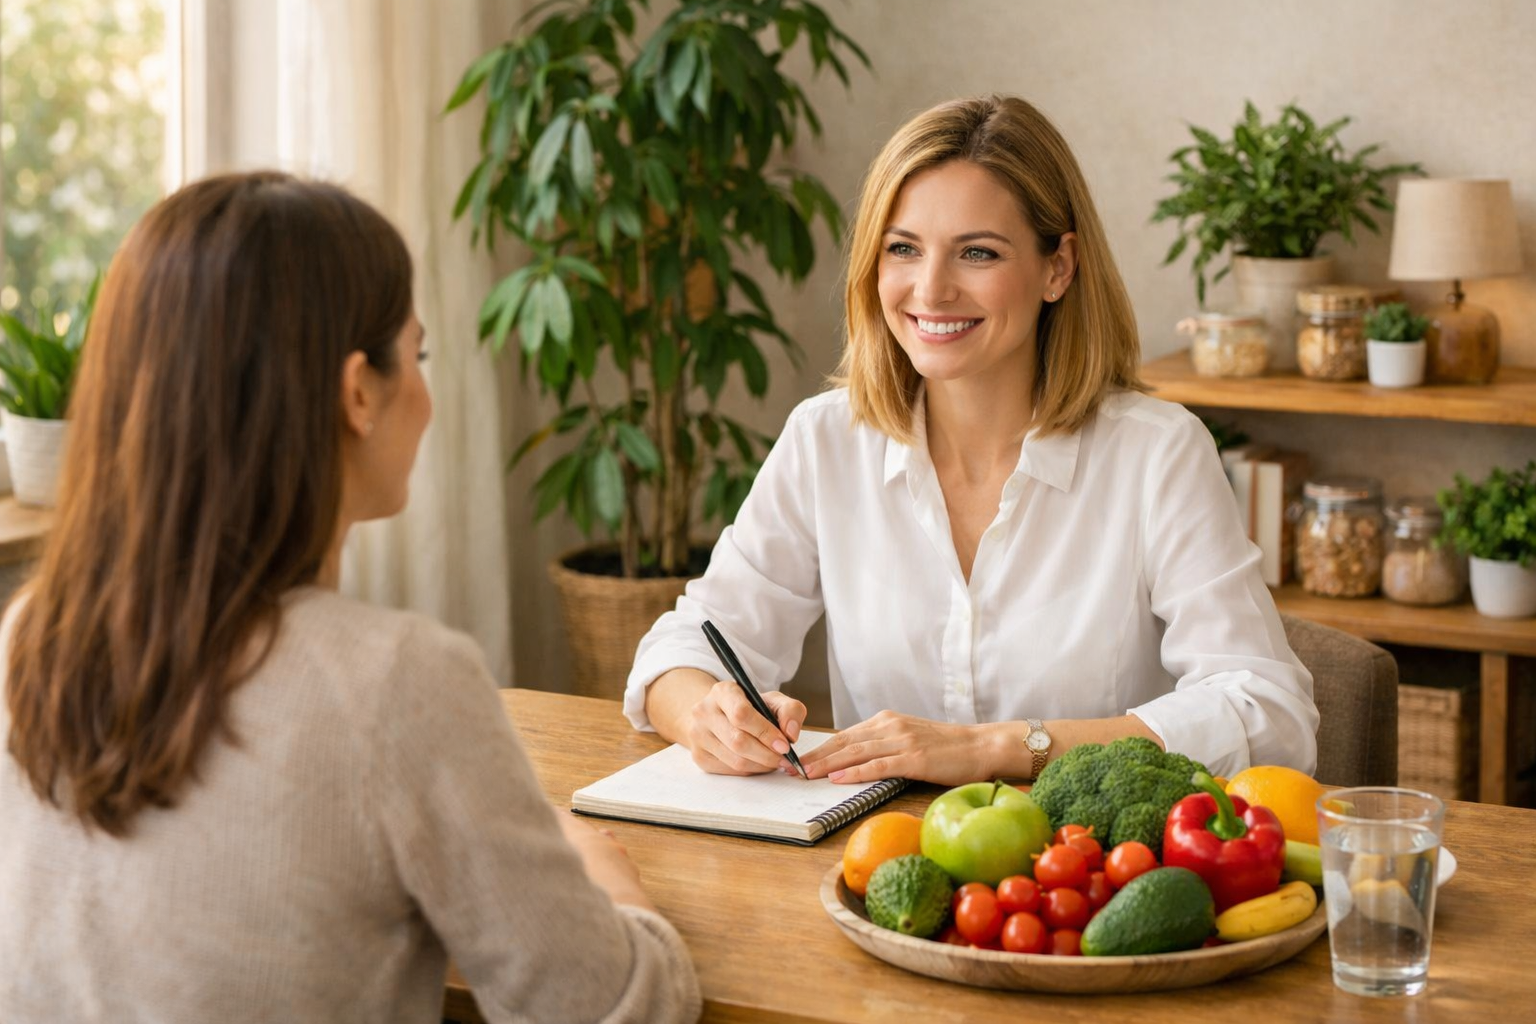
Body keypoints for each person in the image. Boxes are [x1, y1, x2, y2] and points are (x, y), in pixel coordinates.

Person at [0, 172, 699, 1024]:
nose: (427, 394)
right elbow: (613, 1009)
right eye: (420, 354)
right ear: (358, 391)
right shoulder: (396, 681)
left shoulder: (33, 637)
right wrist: (609, 880)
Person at [624, 95, 1318, 787]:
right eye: (903, 249)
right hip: (879, 868)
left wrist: (994, 748)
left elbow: (1269, 713)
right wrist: (707, 717)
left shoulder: (1158, 455)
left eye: (977, 253)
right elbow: (684, 648)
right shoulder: (825, 439)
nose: (931, 289)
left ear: (1058, 268)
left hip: (1090, 875)